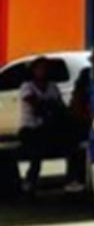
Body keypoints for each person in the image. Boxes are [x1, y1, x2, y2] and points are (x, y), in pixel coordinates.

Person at [17, 57, 71, 197]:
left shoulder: (52, 87)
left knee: (70, 143)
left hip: (49, 128)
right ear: (33, 70)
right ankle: (30, 180)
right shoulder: (27, 87)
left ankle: (72, 178)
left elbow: (60, 106)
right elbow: (36, 105)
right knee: (37, 150)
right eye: (39, 68)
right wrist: (49, 107)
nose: (42, 71)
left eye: (45, 68)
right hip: (29, 129)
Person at [64, 68, 92, 193]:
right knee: (78, 152)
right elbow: (80, 114)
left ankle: (76, 178)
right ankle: (76, 178)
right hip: (79, 129)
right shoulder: (81, 96)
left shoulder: (81, 94)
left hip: (79, 128)